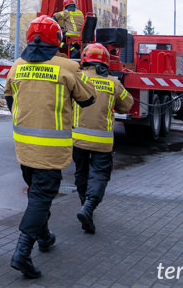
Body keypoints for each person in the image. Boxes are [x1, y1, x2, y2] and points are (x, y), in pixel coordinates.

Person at [4, 15, 95, 279]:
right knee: (42, 197)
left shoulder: (17, 66)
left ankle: (44, 237)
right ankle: (22, 252)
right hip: (51, 149)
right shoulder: (67, 67)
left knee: (37, 194)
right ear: (56, 40)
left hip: (24, 146)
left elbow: (9, 99)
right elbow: (88, 100)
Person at [72, 43, 134, 234]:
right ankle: (89, 207)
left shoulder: (78, 78)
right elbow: (127, 105)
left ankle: (84, 204)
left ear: (85, 60)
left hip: (77, 140)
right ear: (105, 63)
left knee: (81, 173)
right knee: (100, 175)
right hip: (102, 141)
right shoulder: (112, 83)